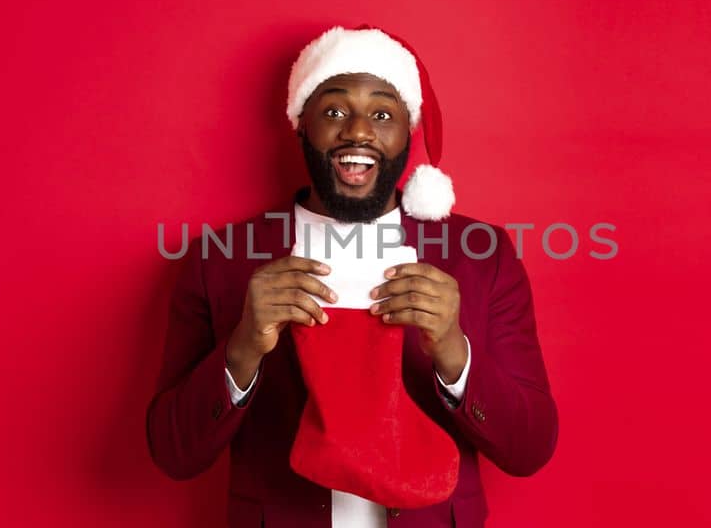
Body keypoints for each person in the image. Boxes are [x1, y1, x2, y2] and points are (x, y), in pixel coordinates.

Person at [146, 26, 558, 528]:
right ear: (302, 124)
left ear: (410, 131)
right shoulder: (224, 259)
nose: (358, 131)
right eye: (334, 111)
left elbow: (529, 449)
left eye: (382, 114)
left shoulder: (480, 256)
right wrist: (243, 348)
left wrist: (453, 349)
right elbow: (173, 452)